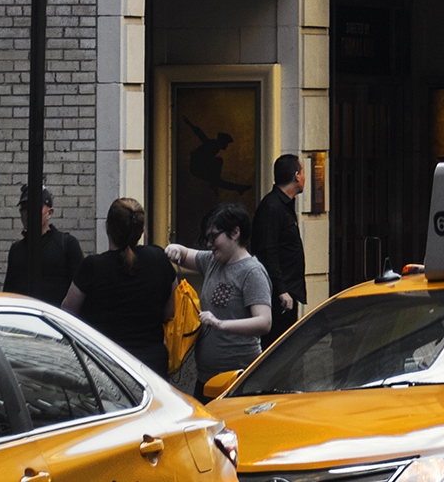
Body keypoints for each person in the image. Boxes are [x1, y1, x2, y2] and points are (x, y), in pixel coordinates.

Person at [165, 202, 273, 401]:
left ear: (235, 233)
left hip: (237, 381)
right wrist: (175, 249)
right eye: (207, 238)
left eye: (214, 237)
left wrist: (220, 324)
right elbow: (185, 254)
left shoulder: (252, 272)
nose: (209, 244)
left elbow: (264, 322)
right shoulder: (213, 261)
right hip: (206, 378)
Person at [63, 198, 176, 374]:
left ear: (108, 227)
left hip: (106, 365)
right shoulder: (159, 258)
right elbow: (170, 312)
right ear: (142, 229)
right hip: (152, 365)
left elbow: (67, 314)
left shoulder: (93, 266)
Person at [252, 153, 307, 345]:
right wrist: (282, 290)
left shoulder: (284, 205)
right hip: (278, 297)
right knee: (276, 347)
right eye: (303, 172)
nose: (304, 178)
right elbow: (268, 251)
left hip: (288, 293)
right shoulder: (272, 206)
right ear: (296, 176)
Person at [4, 185, 84, 307]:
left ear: (50, 213)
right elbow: (8, 294)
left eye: (35, 207)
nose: (29, 213)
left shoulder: (67, 245)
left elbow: (81, 292)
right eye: (24, 208)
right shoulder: (17, 250)